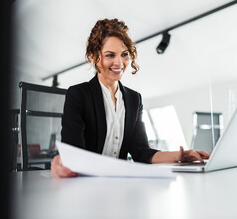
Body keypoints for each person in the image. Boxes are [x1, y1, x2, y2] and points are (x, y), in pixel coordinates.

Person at [51, 18, 210, 178]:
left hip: (119, 184)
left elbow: (141, 152)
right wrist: (59, 160)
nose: (119, 63)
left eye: (124, 54)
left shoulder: (134, 99)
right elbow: (72, 151)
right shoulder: (78, 95)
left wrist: (179, 156)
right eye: (110, 55)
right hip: (86, 183)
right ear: (93, 57)